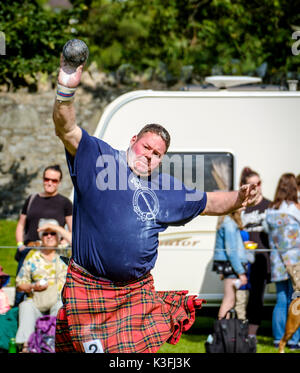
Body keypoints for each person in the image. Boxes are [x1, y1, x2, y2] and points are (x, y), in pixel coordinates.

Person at [52, 44, 260, 353]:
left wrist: (239, 197)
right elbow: (66, 128)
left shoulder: (165, 187)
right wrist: (67, 84)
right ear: (133, 141)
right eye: (147, 147)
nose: (150, 156)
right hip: (91, 288)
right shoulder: (98, 159)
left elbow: (209, 202)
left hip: (135, 294)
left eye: (157, 154)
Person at [14, 164, 72, 306]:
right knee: (20, 294)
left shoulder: (65, 203)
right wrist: (20, 244)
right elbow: (21, 224)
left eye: (54, 180)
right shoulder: (32, 199)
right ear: (43, 179)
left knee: (54, 295)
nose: (49, 183)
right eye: (47, 179)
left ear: (59, 182)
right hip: (30, 252)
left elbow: (72, 229)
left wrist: (64, 242)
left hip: (53, 253)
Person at [15, 219, 69, 353]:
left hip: (58, 301)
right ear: (41, 238)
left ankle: (53, 346)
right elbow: (19, 285)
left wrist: (58, 229)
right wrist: (34, 286)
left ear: (59, 237)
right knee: (26, 306)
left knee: (60, 307)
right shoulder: (33, 256)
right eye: (45, 234)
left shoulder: (65, 253)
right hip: (37, 300)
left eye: (53, 233)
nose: (49, 236)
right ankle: (26, 347)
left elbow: (75, 240)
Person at [265, 173, 300, 349]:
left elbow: (268, 232)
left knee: (280, 300)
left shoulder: (271, 210)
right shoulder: (296, 208)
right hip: (296, 263)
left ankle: (279, 339)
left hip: (278, 261)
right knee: (296, 300)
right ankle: (293, 340)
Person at [240, 167, 271, 342]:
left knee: (256, 298)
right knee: (239, 298)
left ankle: (251, 334)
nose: (256, 187)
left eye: (258, 183)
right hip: (242, 259)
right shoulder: (241, 206)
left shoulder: (269, 205)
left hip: (261, 259)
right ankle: (237, 331)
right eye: (252, 184)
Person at [212, 210, 248, 320]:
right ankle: (221, 333)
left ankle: (225, 332)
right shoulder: (229, 224)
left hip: (228, 265)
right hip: (231, 265)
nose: (244, 207)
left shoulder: (227, 221)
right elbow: (231, 251)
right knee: (229, 300)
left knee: (230, 300)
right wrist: (241, 272)